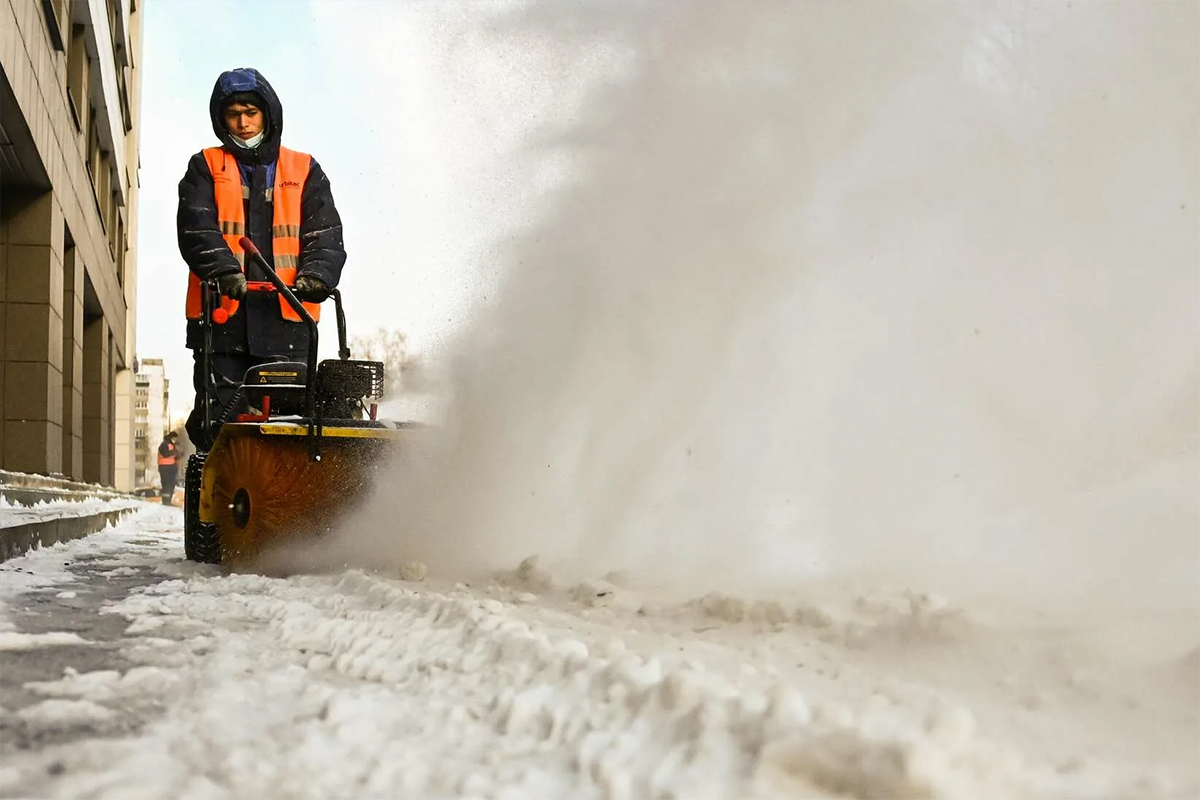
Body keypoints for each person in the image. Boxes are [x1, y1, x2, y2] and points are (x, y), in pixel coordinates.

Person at [177, 67, 346, 451]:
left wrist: (317, 276)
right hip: (222, 321)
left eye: (250, 112)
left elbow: (325, 234)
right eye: (233, 113)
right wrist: (224, 271)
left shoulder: (304, 169)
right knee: (218, 424)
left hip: (289, 321)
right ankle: (215, 501)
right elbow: (196, 228)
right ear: (221, 119)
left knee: (296, 427)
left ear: (267, 114)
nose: (243, 122)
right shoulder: (205, 167)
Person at [157, 432, 180, 505]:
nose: (175, 440)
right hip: (165, 468)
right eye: (174, 438)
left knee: (171, 484)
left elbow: (174, 456)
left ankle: (168, 500)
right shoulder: (164, 444)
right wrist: (176, 452)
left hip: (171, 468)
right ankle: (165, 501)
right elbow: (166, 454)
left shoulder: (172, 445)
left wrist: (178, 454)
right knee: (166, 484)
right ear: (171, 437)